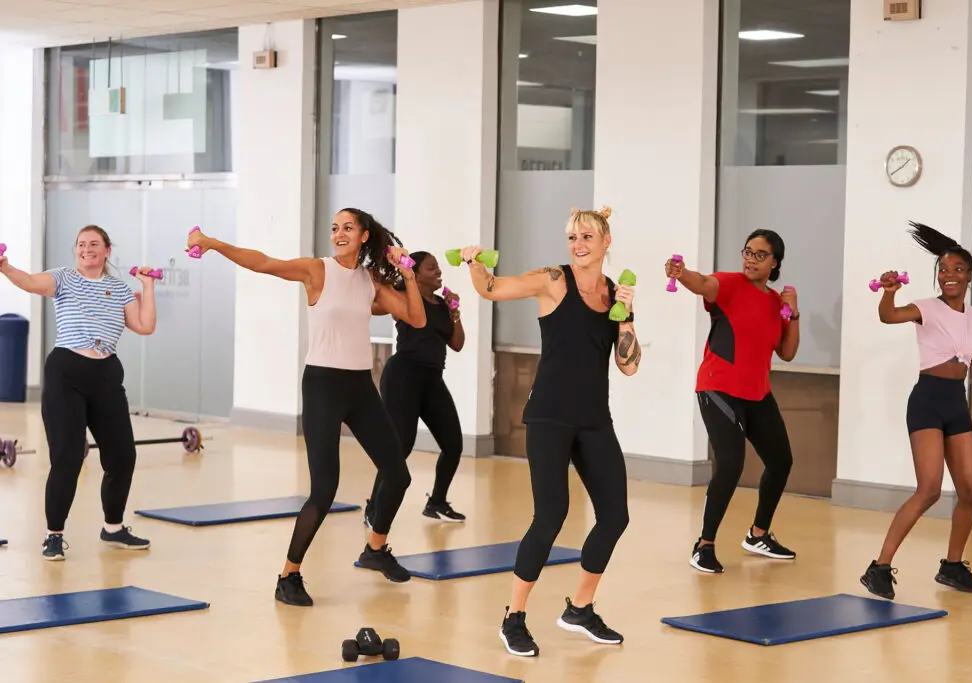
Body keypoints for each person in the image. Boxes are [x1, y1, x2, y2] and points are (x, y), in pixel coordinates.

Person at [186, 208, 425, 607]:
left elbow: (415, 318)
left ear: (365, 236)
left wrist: (410, 275)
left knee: (398, 474)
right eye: (334, 228)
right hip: (323, 386)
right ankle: (288, 576)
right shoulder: (318, 270)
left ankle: (375, 548)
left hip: (360, 386)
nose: (339, 234)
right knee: (324, 490)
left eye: (348, 227)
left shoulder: (369, 282)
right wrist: (212, 244)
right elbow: (264, 263)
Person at [461, 206, 639, 658]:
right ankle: (514, 617)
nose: (577, 244)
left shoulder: (613, 295)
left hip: (595, 418)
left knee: (615, 516)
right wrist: (473, 262)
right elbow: (492, 289)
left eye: (586, 237)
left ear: (606, 242)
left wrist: (628, 316)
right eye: (572, 237)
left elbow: (629, 364)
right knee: (551, 515)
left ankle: (580, 607)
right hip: (549, 416)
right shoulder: (552, 280)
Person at [860, 221, 972, 599]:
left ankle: (952, 566)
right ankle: (878, 567)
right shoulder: (925, 308)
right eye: (943, 269)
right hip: (927, 400)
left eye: (957, 269)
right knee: (929, 489)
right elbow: (888, 316)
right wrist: (889, 293)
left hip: (955, 403)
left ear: (969, 277)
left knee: (971, 491)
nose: (949, 275)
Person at [0, 225, 157, 561]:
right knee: (68, 459)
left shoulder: (119, 289)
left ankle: (113, 528)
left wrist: (147, 286)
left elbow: (145, 326)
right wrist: (5, 267)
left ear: (107, 251)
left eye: (94, 244)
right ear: (76, 251)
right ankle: (53, 535)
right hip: (66, 373)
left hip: (106, 376)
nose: (87, 249)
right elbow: (29, 282)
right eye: (82, 244)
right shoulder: (64, 279)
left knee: (123, 456)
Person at [665, 229, 800, 574]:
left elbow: (786, 352)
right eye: (748, 252)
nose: (750, 259)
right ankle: (704, 545)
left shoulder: (775, 303)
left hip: (757, 392)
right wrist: (683, 275)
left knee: (781, 460)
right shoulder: (728, 284)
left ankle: (758, 535)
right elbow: (702, 283)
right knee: (730, 463)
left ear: (775, 263)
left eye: (760, 255)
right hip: (718, 386)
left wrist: (793, 313)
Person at [364, 251, 467, 528]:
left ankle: (437, 503)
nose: (438, 272)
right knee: (400, 447)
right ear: (417, 274)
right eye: (432, 268)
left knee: (454, 444)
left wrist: (455, 313)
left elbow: (457, 344)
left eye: (438, 268)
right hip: (403, 376)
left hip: (432, 379)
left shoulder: (442, 305)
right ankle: (374, 508)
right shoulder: (404, 297)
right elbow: (373, 305)